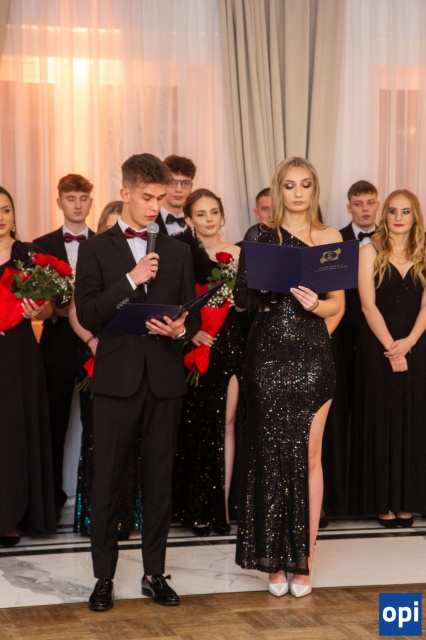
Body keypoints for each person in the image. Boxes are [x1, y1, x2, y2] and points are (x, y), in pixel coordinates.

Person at [74, 153, 200, 612]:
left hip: (165, 379)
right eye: (147, 197)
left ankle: (154, 573)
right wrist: (131, 278)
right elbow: (89, 312)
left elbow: (193, 315)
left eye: (160, 198)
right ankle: (103, 578)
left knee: (160, 480)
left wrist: (180, 329)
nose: (154, 207)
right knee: (107, 480)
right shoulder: (96, 248)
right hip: (116, 379)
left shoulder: (178, 250)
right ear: (125, 192)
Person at [233, 157, 343, 598]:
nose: (298, 193)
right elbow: (241, 302)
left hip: (314, 355)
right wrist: (257, 286)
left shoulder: (331, 238)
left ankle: (305, 560)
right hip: (267, 358)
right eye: (290, 185)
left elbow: (337, 305)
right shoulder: (261, 236)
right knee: (269, 456)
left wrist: (315, 304)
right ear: (278, 190)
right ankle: (274, 561)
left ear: (315, 189)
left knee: (310, 455)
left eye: (305, 185)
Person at [173, 189, 245, 535]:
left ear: (222, 215)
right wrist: (192, 332)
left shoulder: (239, 254)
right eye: (200, 214)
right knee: (195, 426)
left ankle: (223, 509)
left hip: (229, 343)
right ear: (189, 220)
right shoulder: (180, 254)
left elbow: (247, 305)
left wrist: (236, 298)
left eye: (214, 212)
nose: (209, 219)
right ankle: (197, 506)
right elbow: (174, 303)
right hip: (193, 346)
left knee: (227, 423)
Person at [352, 189, 426, 527]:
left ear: (415, 216)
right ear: (385, 215)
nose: (398, 217)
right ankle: (382, 502)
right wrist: (392, 348)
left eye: (405, 211)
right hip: (377, 348)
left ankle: (408, 500)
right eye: (393, 211)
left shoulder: (424, 252)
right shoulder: (369, 251)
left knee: (413, 420)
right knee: (381, 421)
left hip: (417, 346)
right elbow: (367, 306)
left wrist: (408, 343)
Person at [69, 200, 142, 539]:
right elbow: (79, 311)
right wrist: (93, 342)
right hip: (98, 355)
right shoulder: (94, 256)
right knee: (98, 442)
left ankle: (131, 515)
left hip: (133, 358)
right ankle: (93, 518)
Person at [33, 174, 95, 520]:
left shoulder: (104, 243)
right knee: (53, 424)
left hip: (93, 346)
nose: (77, 204)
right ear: (59, 202)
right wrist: (53, 309)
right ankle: (51, 501)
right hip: (55, 345)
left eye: (83, 198)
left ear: (91, 201)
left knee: (96, 423)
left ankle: (92, 504)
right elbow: (32, 298)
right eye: (71, 198)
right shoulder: (39, 246)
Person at [0, 186, 56, 546]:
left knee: (15, 432)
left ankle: (12, 518)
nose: (0, 216)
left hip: (18, 352)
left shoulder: (29, 255)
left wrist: (40, 309)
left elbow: (49, 309)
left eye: (5, 209)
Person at [155, 154, 196, 235]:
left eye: (185, 183)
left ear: (191, 187)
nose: (179, 189)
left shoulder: (198, 222)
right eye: (172, 182)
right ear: (162, 184)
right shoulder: (148, 220)